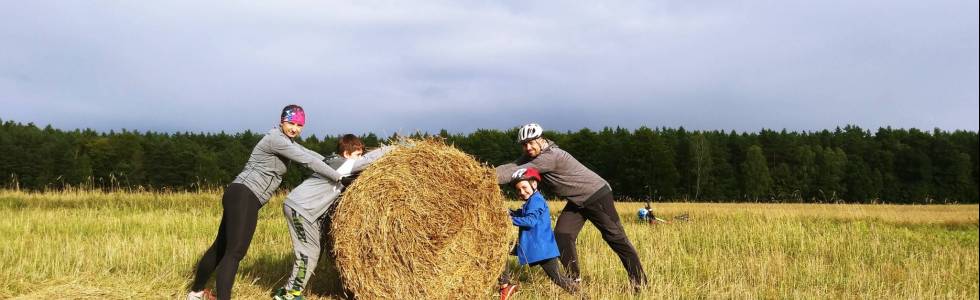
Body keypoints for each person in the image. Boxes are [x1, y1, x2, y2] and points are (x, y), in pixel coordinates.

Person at [188, 105, 346, 300]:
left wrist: (338, 162)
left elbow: (312, 154)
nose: (294, 128)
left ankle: (195, 293)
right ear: (282, 121)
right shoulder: (276, 139)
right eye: (291, 123)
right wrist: (339, 177)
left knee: (221, 247)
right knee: (235, 252)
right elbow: (307, 161)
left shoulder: (287, 141)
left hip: (239, 194)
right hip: (245, 194)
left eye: (299, 125)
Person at [495, 123, 648, 291]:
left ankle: (640, 283)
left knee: (615, 238)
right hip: (577, 201)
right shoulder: (533, 156)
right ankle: (574, 280)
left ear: (541, 139)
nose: (528, 147)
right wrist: (485, 172)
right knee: (562, 236)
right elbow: (513, 165)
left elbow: (515, 173)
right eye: (524, 144)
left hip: (596, 195)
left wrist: (485, 180)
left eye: (532, 142)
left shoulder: (551, 157)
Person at [273, 134, 391, 300]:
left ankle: (290, 290)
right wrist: (393, 149)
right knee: (308, 253)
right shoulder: (341, 164)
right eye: (357, 154)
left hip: (308, 211)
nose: (360, 158)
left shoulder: (334, 162)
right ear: (346, 154)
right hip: (300, 208)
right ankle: (288, 295)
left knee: (315, 250)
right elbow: (365, 162)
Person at [498, 167, 577, 300]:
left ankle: (583, 296)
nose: (522, 192)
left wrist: (509, 219)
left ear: (534, 184)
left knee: (558, 278)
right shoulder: (532, 200)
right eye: (518, 190)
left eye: (524, 187)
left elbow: (530, 221)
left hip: (540, 248)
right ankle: (506, 286)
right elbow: (523, 213)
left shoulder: (536, 200)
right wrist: (509, 212)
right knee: (500, 249)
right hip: (533, 244)